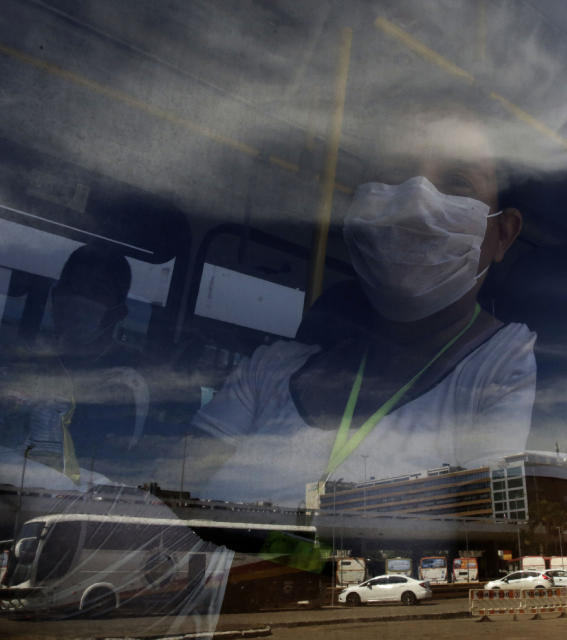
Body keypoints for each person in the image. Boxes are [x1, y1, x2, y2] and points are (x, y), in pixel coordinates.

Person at [192, 88, 536, 505]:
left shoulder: (503, 367)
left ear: (502, 233)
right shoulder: (268, 371)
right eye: (394, 175)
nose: (416, 201)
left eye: (457, 182)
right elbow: (173, 498)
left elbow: (491, 538)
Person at [0, 242, 148, 490]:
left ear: (118, 312)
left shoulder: (125, 384)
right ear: (55, 295)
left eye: (95, 292)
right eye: (71, 287)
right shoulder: (25, 362)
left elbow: (99, 472)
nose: (78, 300)